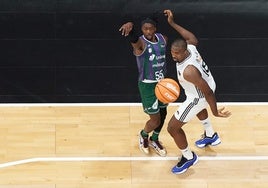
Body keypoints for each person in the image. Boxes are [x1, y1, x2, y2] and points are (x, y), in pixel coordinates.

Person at [164, 9, 232, 174]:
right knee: (198, 103)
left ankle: (188, 157)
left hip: (200, 95)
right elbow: (189, 36)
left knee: (172, 128)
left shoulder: (189, 71)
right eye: (172, 53)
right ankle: (211, 135)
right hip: (207, 82)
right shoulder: (191, 45)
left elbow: (208, 93)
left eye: (177, 54)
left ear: (185, 51)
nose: (174, 56)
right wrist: (172, 23)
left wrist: (215, 111)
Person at [119, 14, 168, 157]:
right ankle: (143, 135)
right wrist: (131, 29)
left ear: (155, 29)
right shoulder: (141, 43)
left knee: (163, 112)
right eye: (145, 29)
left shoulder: (163, 39)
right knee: (155, 119)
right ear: (142, 29)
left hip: (163, 83)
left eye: (150, 29)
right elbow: (134, 40)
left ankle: (155, 139)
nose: (148, 32)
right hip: (148, 85)